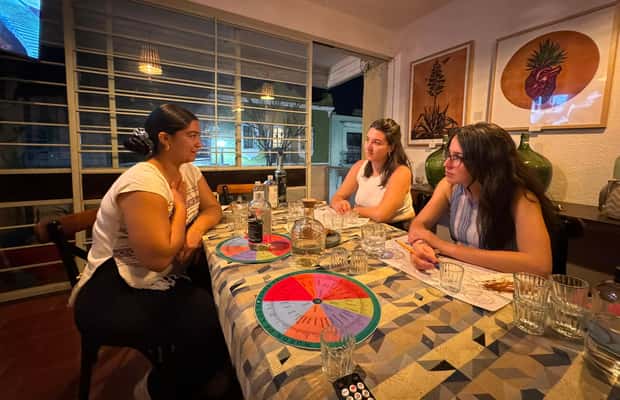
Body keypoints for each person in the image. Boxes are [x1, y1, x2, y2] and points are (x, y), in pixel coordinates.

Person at [70, 104, 229, 399]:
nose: (200, 143)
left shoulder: (189, 171)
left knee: (224, 296)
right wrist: (181, 208)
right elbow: (156, 259)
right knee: (213, 319)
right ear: (165, 139)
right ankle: (156, 389)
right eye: (192, 136)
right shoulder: (144, 182)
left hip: (159, 274)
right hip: (113, 289)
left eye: (199, 136)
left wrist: (194, 234)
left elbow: (212, 208)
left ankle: (205, 372)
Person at [407, 122, 556, 275]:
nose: (446, 163)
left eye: (456, 157)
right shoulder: (449, 186)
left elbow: (539, 265)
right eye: (449, 155)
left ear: (486, 163)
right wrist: (420, 246)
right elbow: (418, 226)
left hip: (502, 284)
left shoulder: (521, 198)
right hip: (462, 275)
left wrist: (443, 246)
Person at [330, 118, 415, 230]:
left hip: (396, 230)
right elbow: (337, 197)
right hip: (367, 226)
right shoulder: (360, 166)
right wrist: (339, 204)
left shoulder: (401, 172)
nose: (368, 147)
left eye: (376, 142)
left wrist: (355, 210)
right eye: (367, 140)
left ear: (391, 147)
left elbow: (381, 215)